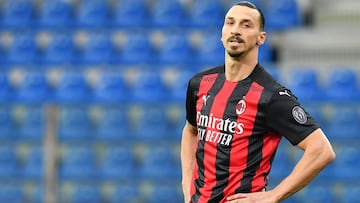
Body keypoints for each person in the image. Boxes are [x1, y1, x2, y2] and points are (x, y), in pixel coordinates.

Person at [180, 1, 336, 203]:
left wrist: (274, 195)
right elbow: (191, 130)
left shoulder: (271, 96)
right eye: (230, 23)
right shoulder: (199, 84)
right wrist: (186, 183)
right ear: (222, 32)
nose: (236, 30)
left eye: (246, 25)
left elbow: (322, 150)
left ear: (261, 38)